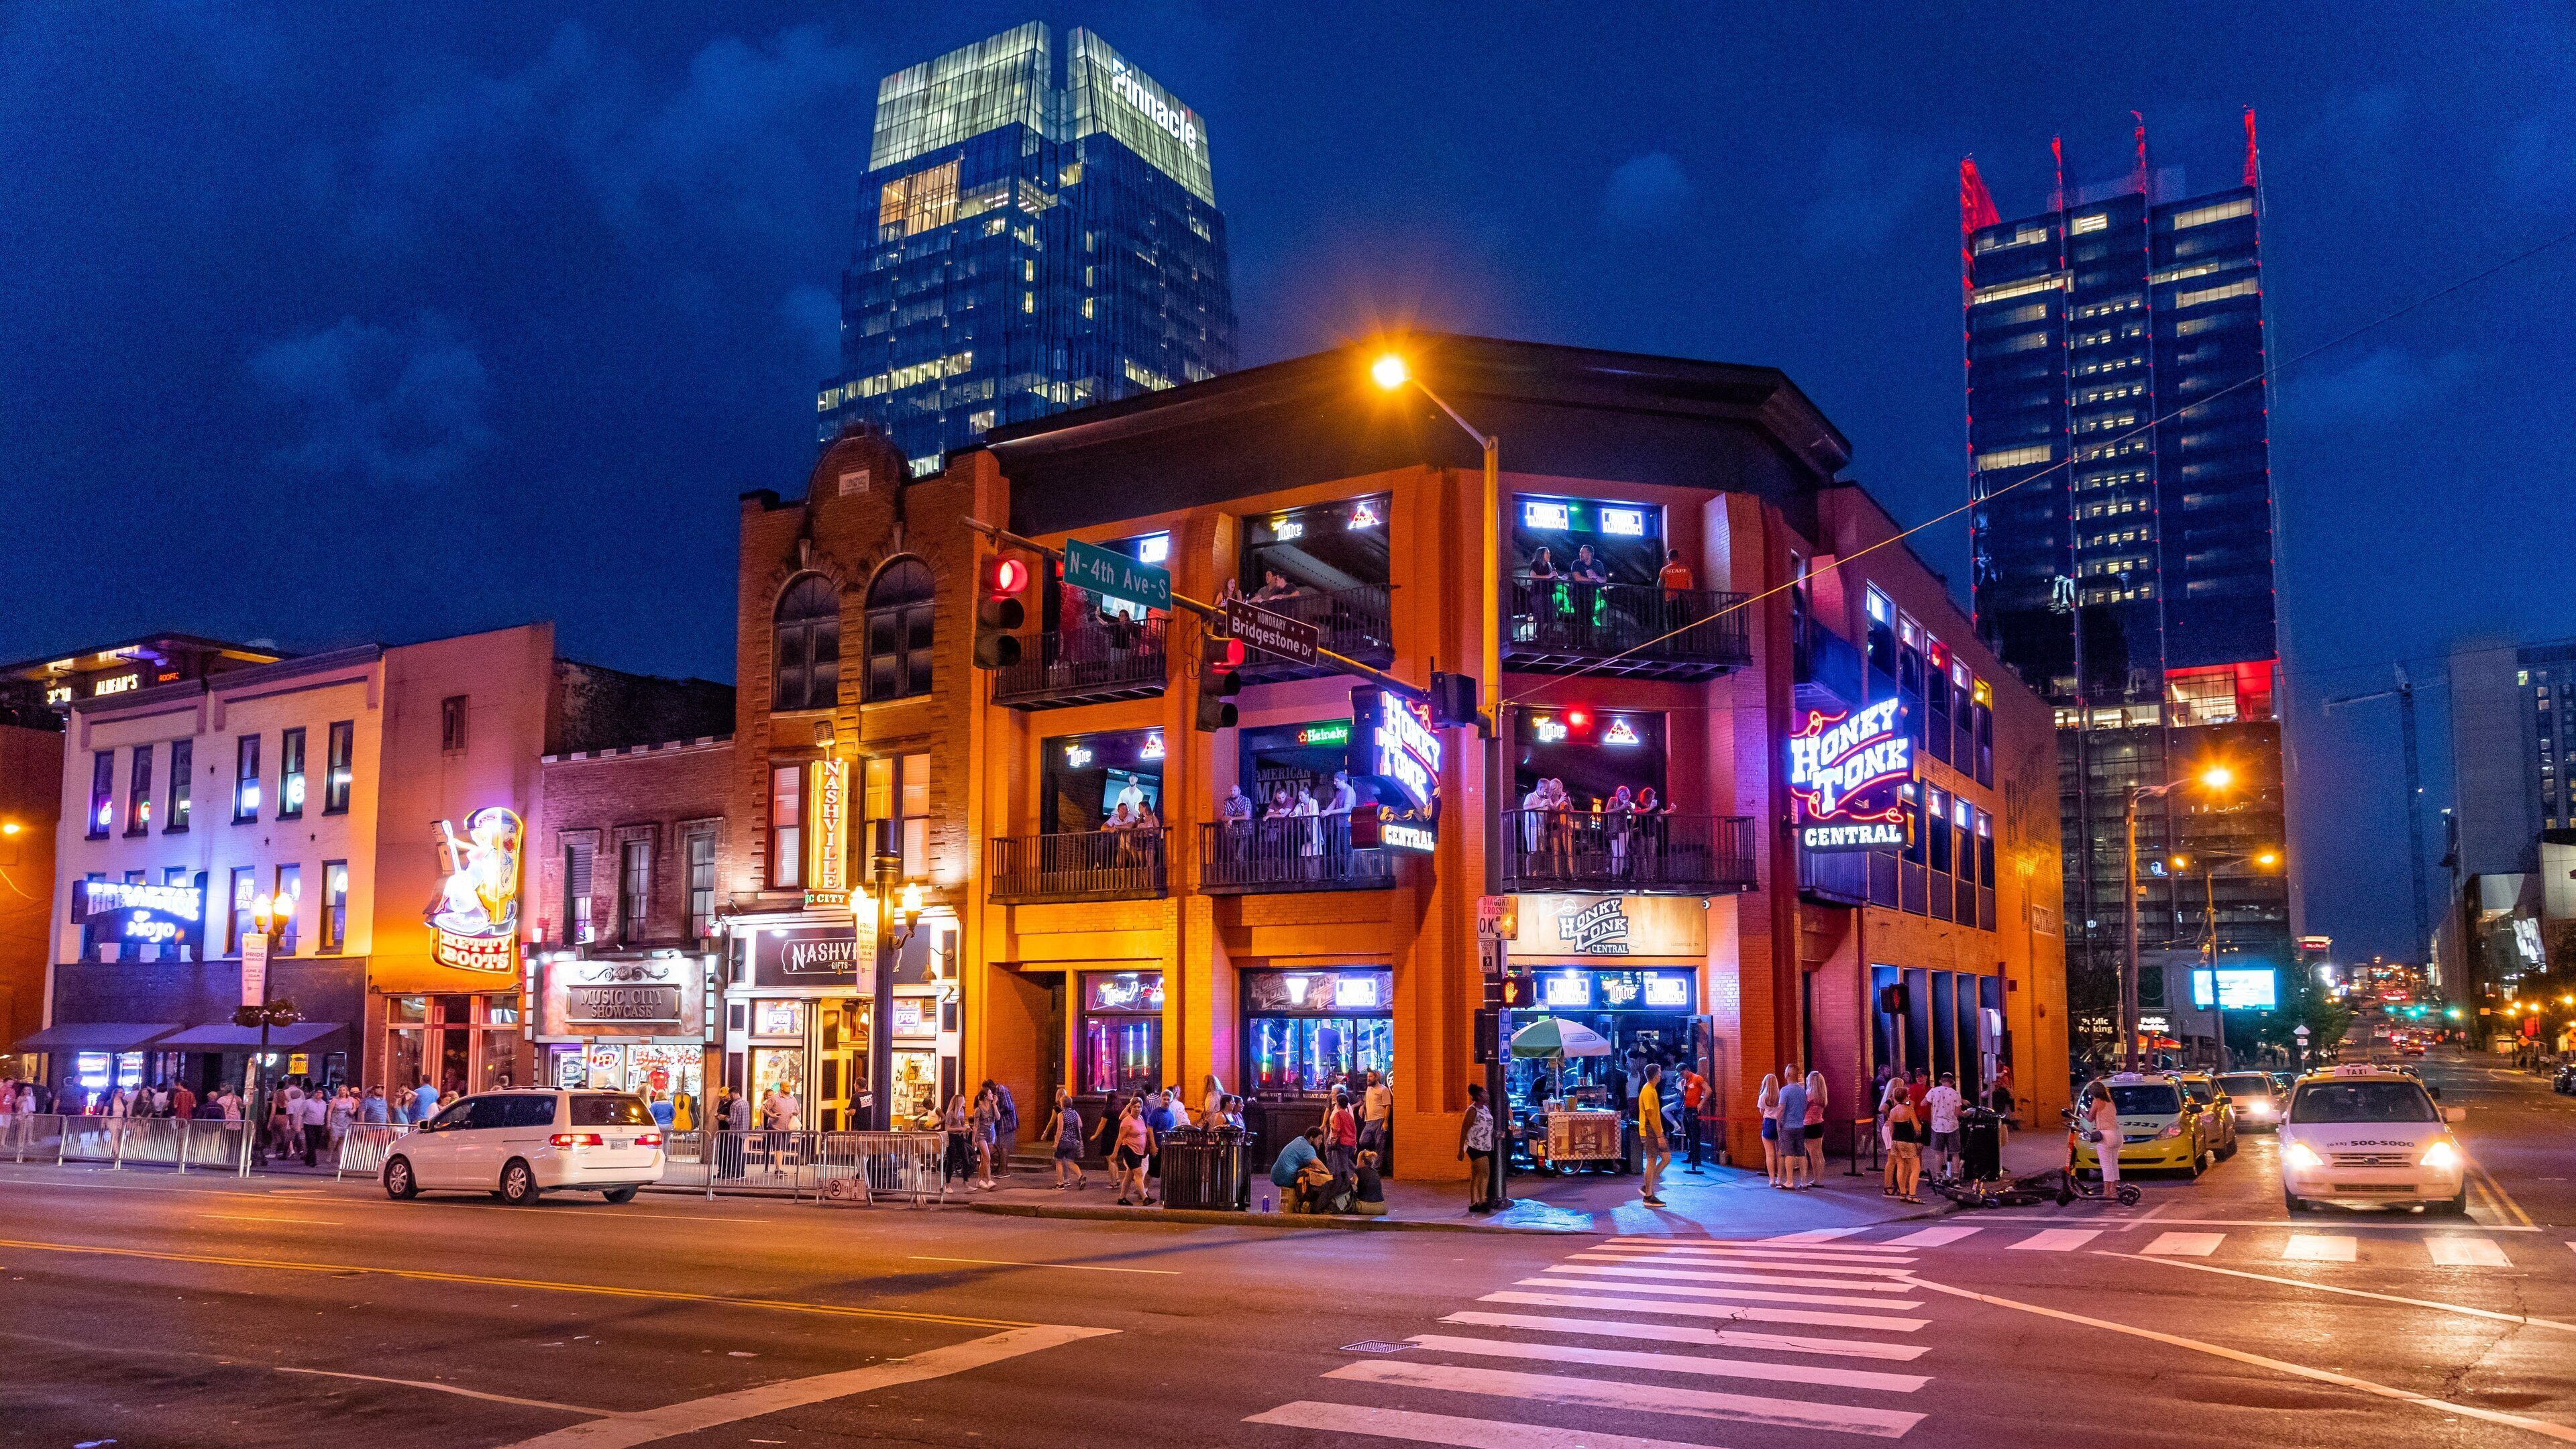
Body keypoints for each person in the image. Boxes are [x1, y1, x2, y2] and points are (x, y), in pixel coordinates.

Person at [1636, 1062, 1671, 1207]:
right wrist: (1660, 1135)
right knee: (1652, 1160)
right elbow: (1651, 1115)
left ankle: (1647, 1186)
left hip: (1653, 1130)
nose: (1661, 1074)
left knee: (1666, 1158)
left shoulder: (1649, 1089)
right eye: (1660, 1072)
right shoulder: (1649, 1091)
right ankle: (1649, 1196)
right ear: (1655, 1075)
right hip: (1651, 1130)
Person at [1458, 1083, 1497, 1213]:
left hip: (1485, 1145)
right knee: (1485, 1172)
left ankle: (1473, 1203)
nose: (1487, 1095)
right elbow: (1464, 1129)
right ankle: (1482, 1201)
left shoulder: (1485, 1109)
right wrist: (1460, 1150)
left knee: (1476, 1174)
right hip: (1475, 1146)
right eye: (1484, 1093)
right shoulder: (1472, 1110)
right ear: (1479, 1096)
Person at [1113, 1095, 1155, 1206]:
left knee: (1129, 1175)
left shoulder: (1140, 1118)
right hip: (1130, 1150)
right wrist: (1114, 1153)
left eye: (1139, 1107)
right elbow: (1120, 1138)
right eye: (1135, 1106)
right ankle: (1145, 1198)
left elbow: (1144, 1133)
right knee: (1139, 1174)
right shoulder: (1127, 1121)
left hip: (1140, 1151)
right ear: (1131, 1108)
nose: (1137, 1109)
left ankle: (1121, 1198)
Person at [1924, 1072, 1964, 1182]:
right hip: (1952, 1126)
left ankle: (1938, 1176)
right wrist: (1964, 1113)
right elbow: (1957, 1113)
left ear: (1941, 1080)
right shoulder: (1956, 1094)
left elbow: (1924, 1103)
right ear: (1952, 1082)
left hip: (1937, 1126)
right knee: (1955, 1153)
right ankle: (1956, 1178)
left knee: (1939, 1153)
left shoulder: (1934, 1091)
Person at [1773, 1069, 1809, 1190]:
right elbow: (1805, 1108)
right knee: (1801, 1154)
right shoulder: (1802, 1091)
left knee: (1788, 1153)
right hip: (1800, 1126)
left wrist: (1777, 1121)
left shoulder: (1785, 1090)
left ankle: (1789, 1181)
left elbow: (1781, 1108)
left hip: (1788, 1127)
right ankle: (1804, 1181)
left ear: (1788, 1075)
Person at [1886, 1089, 1923, 1203]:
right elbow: (1917, 1127)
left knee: (1901, 1166)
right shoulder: (1909, 1110)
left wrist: (1894, 1140)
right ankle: (1912, 1194)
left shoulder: (1892, 1111)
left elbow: (1891, 1129)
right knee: (1916, 1168)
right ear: (1906, 1097)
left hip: (1896, 1141)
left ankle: (1903, 1193)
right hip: (1908, 1141)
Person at [1046, 1089, 1087, 1191]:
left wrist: (1056, 1143)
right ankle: (1080, 1176)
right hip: (1073, 1142)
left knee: (1059, 1161)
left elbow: (1059, 1129)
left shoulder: (1061, 1115)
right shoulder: (1074, 1113)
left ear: (1063, 1105)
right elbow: (1080, 1125)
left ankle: (1060, 1184)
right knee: (1070, 1162)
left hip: (1063, 1141)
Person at [2086, 1085, 2123, 1189]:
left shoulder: (2097, 1101)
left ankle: (2107, 1191)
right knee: (2114, 1163)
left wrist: (2083, 1112)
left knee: (2106, 1165)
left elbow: (2090, 1118)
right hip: (2117, 1134)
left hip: (2106, 1135)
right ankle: (2114, 1189)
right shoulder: (2111, 1102)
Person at [1322, 1087, 1359, 1181]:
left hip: (1341, 1142)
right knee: (1345, 1162)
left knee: (1341, 1164)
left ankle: (1345, 1181)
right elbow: (1354, 1128)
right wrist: (1355, 1144)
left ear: (1338, 1103)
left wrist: (1332, 1125)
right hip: (1350, 1143)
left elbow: (1337, 1130)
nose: (1332, 1095)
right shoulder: (1349, 1115)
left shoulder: (1338, 1114)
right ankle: (1354, 1176)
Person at [1359, 1069, 1393, 1165]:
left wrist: (1385, 1122)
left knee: (1380, 1146)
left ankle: (1377, 1169)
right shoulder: (1369, 1088)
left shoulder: (1383, 1089)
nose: (1368, 1079)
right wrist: (1362, 1107)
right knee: (1363, 1141)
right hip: (1369, 1121)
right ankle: (1372, 1158)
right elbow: (1366, 1101)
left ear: (1376, 1078)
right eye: (1367, 1077)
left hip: (1379, 1120)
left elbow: (1388, 1106)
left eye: (1370, 1077)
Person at [1678, 1063, 1708, 1171]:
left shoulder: (1697, 1078)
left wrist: (1702, 1103)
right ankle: (1690, 1156)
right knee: (1689, 1134)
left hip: (1694, 1110)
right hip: (1686, 1109)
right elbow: (1684, 1095)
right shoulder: (1683, 1081)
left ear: (1687, 1070)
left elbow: (1708, 1090)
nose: (1681, 1076)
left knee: (1695, 1134)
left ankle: (1697, 1158)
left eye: (1682, 1073)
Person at [1803, 1069, 1829, 1183]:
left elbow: (1803, 1108)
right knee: (1819, 1152)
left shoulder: (1809, 1094)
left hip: (1809, 1124)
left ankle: (1816, 1179)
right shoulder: (1822, 1095)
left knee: (1812, 1154)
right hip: (1819, 1123)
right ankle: (1820, 1177)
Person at [1756, 1072, 1782, 1186]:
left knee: (1770, 1154)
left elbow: (1762, 1112)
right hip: (1779, 1123)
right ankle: (1780, 1179)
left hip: (1768, 1123)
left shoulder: (1763, 1097)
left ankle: (1772, 1180)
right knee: (1780, 1153)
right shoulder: (1780, 1095)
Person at [1352, 1148, 1388, 1217]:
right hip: (1382, 1207)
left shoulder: (1358, 1171)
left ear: (1362, 1161)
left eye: (1358, 1160)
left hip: (1366, 1206)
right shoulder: (1375, 1172)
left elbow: (1352, 1186)